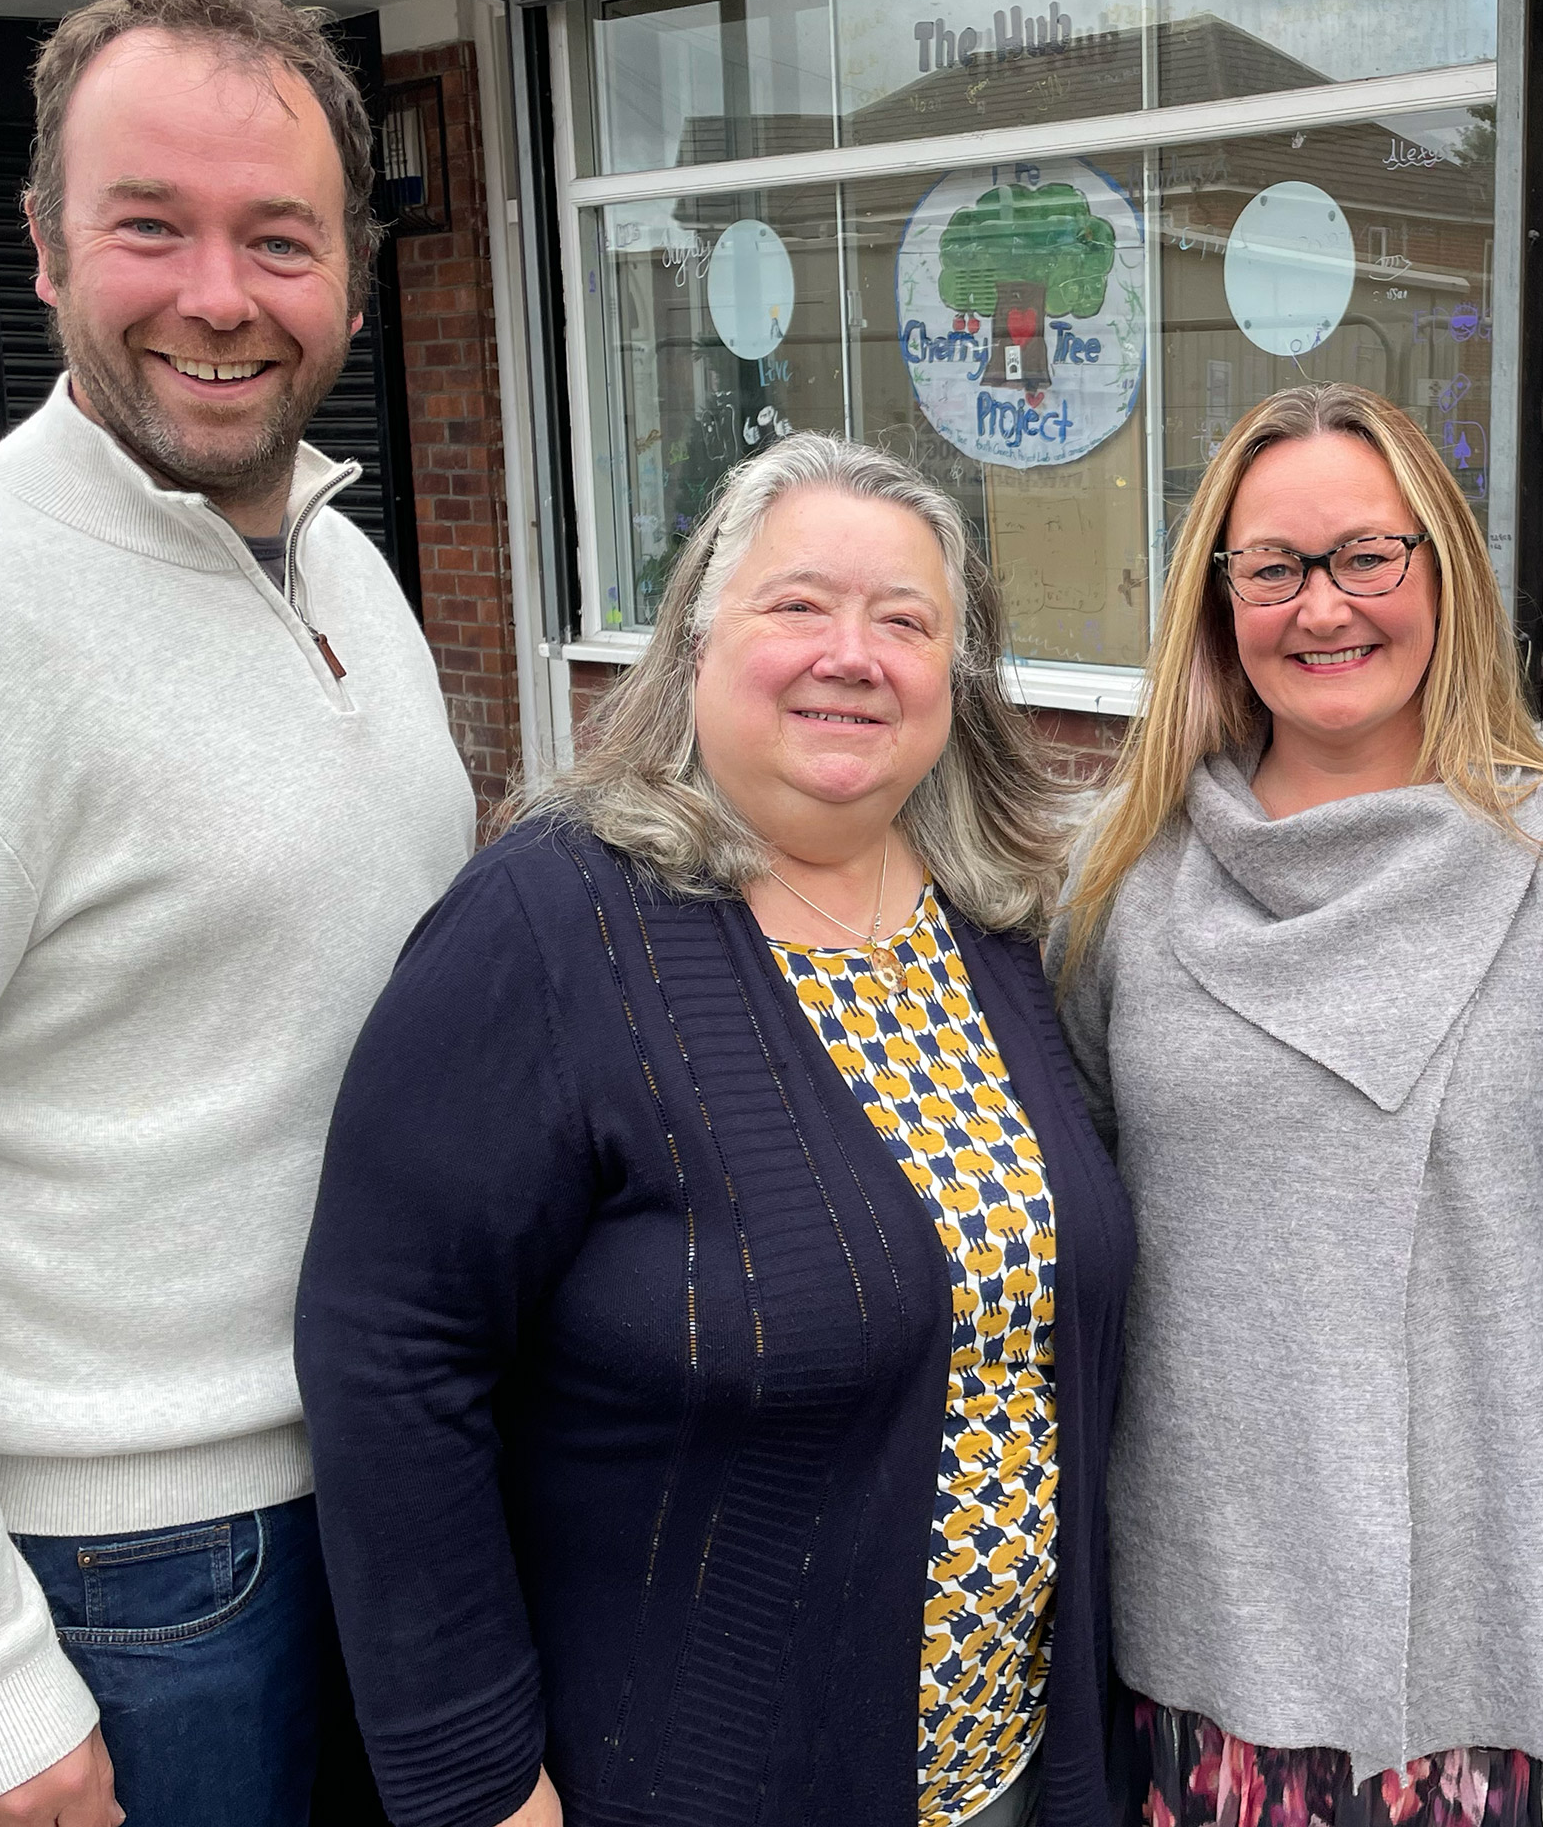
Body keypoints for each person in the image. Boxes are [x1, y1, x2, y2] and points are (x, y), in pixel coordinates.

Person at [0, 0, 476, 1826]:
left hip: (392, 1506)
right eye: (152, 227)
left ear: (351, 266)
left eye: (280, 238)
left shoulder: (347, 566)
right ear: (46, 250)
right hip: (141, 1592)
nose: (221, 298)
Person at [295, 434, 1135, 1827]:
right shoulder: (550, 928)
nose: (852, 655)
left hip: (1008, 1773)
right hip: (688, 1781)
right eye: (798, 606)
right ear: (695, 642)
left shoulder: (991, 924)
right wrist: (478, 1785)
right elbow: (390, 1357)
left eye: (906, 621)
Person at [1052, 383, 1543, 1826]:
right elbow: (1081, 1245)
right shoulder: (1124, 881)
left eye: (1368, 554)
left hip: (1504, 1660)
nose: (1323, 606)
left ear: (1443, 571)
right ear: (1220, 600)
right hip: (1204, 1652)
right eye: (1273, 566)